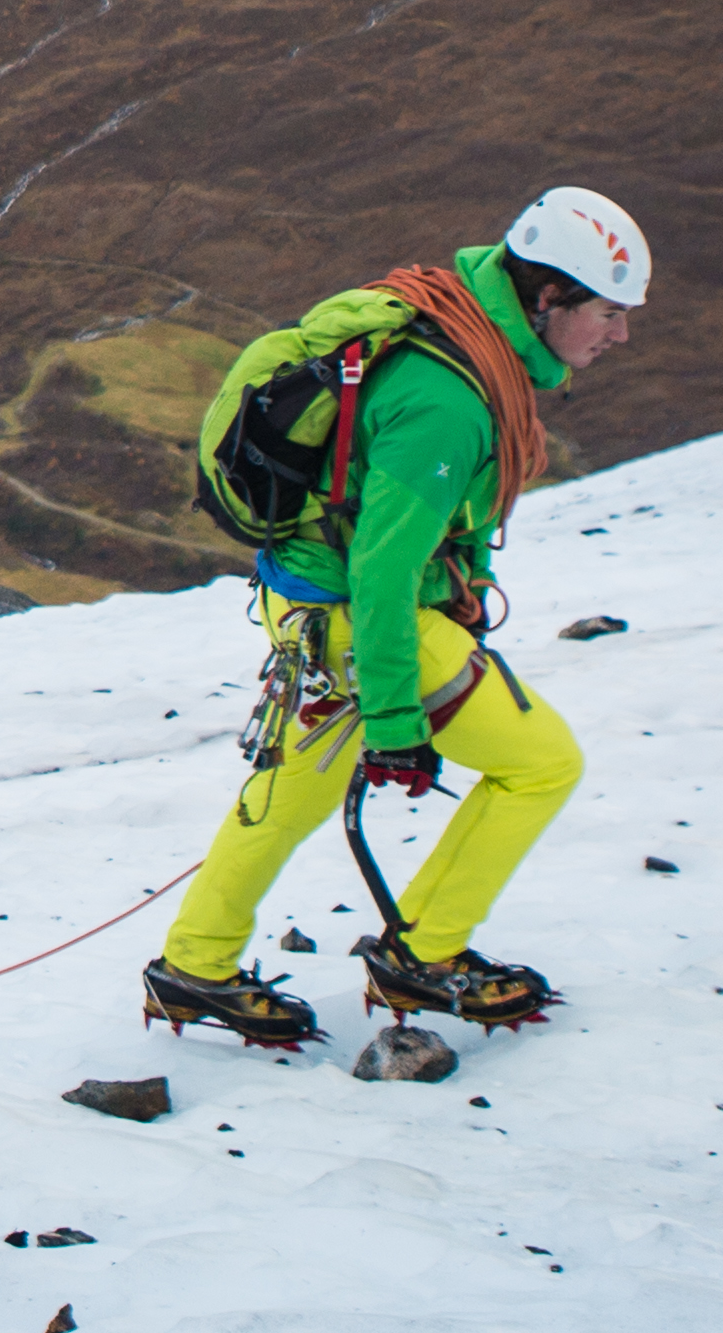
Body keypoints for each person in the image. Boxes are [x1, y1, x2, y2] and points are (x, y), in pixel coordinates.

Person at [145, 184, 647, 1048]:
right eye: (609, 312)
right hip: (358, 617)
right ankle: (425, 955)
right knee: (541, 764)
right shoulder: (448, 402)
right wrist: (395, 724)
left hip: (301, 602)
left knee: (291, 792)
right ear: (549, 297)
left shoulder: (450, 321)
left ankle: (196, 962)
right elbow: (383, 573)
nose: (621, 334)